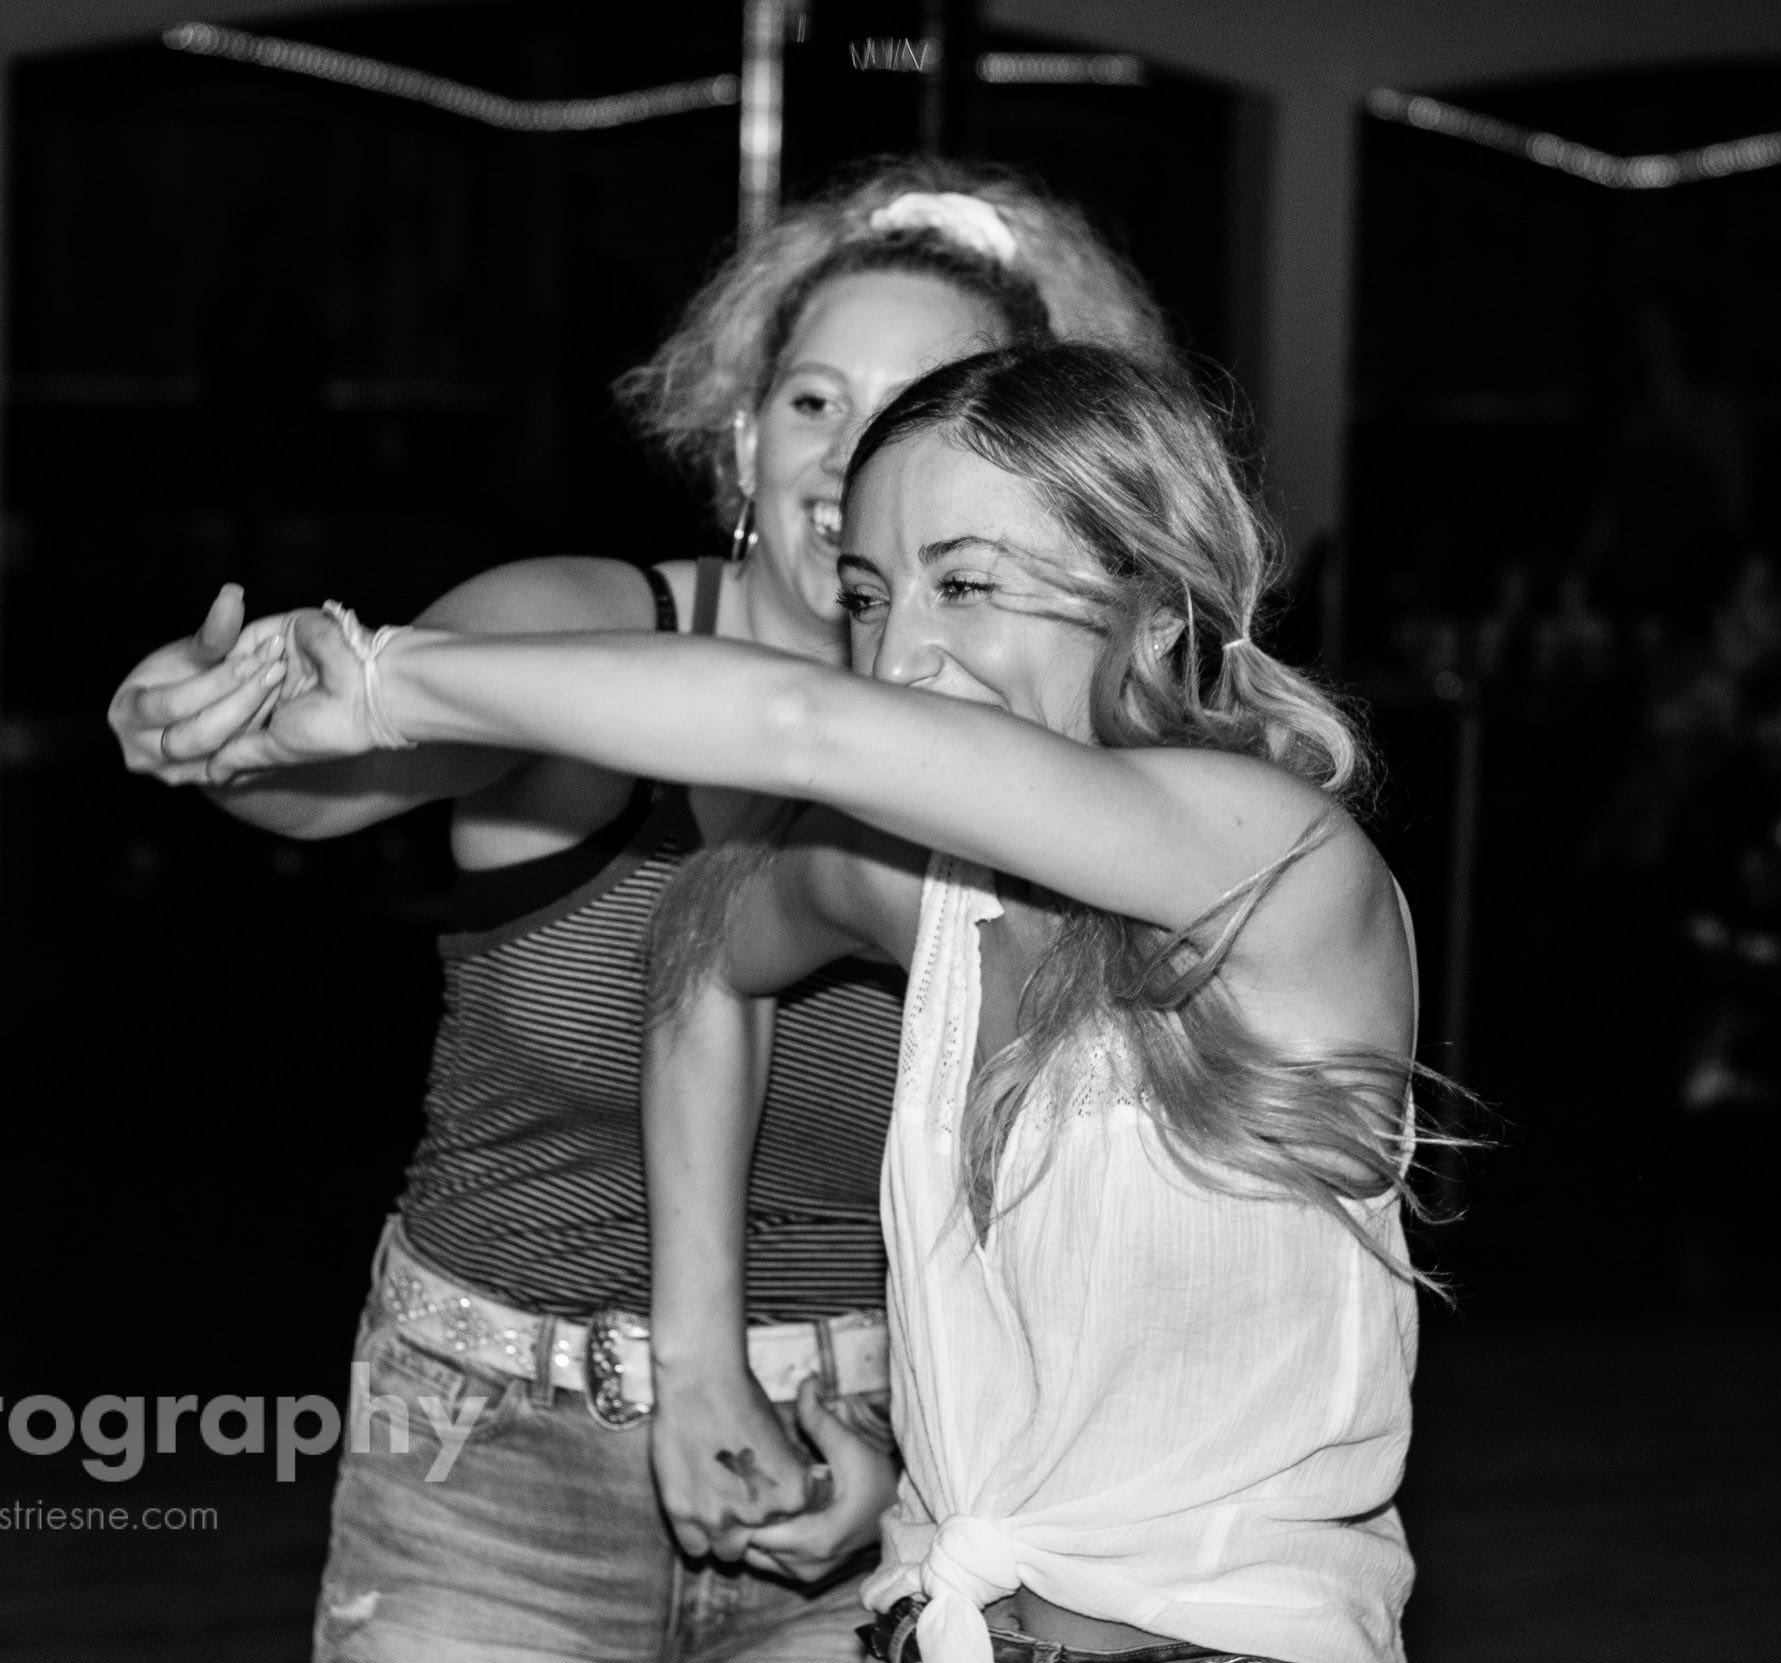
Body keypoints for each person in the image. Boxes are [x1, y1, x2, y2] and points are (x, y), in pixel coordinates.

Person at [150, 343, 1431, 1663]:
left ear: (1154, 608)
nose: (902, 650)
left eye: (965, 583)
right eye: (868, 597)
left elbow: (801, 726)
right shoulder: (920, 889)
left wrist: (382, 681)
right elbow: (699, 939)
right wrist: (731, 1369)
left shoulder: (1268, 866)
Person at [110, 163, 1170, 1663]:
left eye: (919, 404)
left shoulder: (1055, 773)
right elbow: (332, 762)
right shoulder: (591, 630)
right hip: (491, 1461)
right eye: (812, 400)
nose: (849, 451)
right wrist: (211, 711)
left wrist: (921, 1471)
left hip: (876, 1464)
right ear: (743, 435)